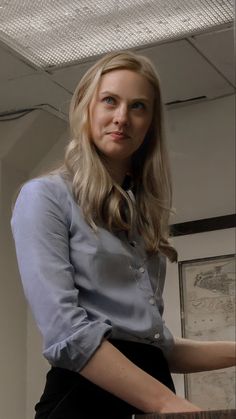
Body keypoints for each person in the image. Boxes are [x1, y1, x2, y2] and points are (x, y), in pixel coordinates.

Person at [11, 51, 235, 419]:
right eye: (110, 101)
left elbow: (154, 346)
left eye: (138, 106)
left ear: (150, 123)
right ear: (86, 108)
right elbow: (66, 334)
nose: (122, 118)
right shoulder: (46, 197)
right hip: (85, 400)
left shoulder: (140, 217)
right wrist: (170, 405)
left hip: (153, 393)